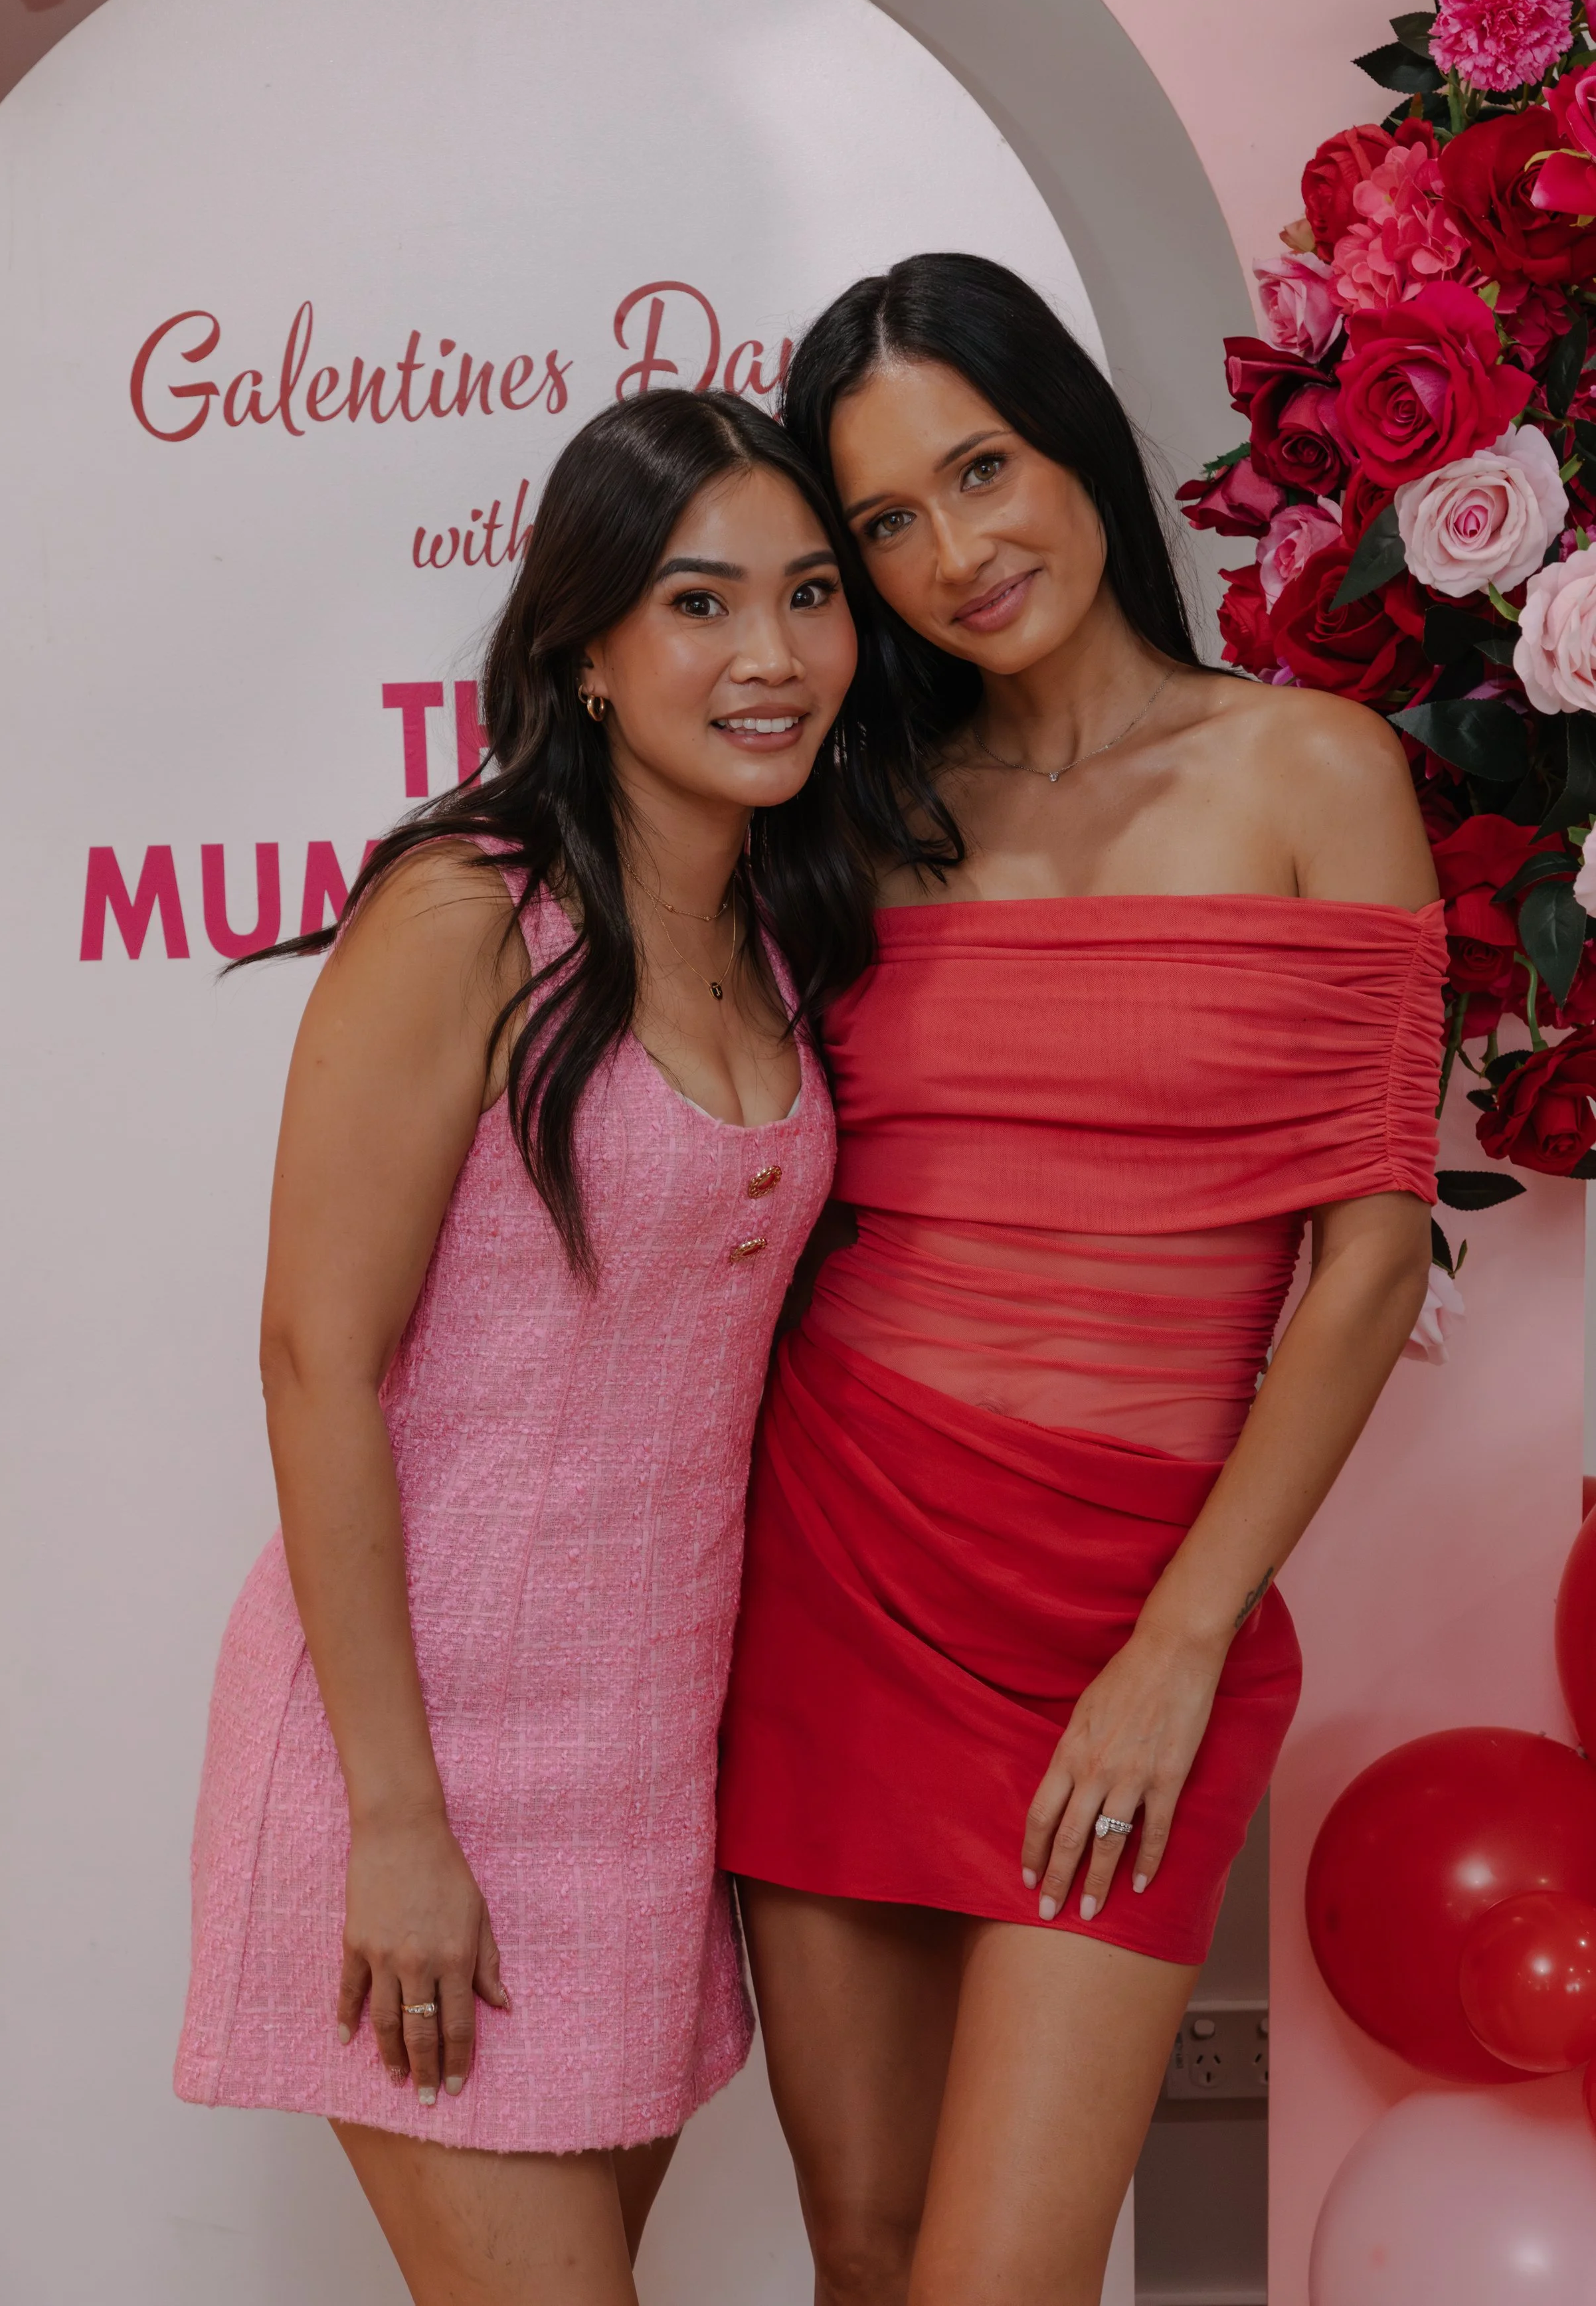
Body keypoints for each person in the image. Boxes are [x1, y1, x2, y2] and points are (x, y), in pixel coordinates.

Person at [718, 253, 1444, 2306]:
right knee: (863, 2254)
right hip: (841, 1568)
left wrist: (1178, 1641)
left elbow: (1370, 1253)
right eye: (882, 521)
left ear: (1077, 452)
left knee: (1000, 2282)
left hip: (1133, 1610)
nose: (950, 552)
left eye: (981, 469)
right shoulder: (859, 814)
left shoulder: (1308, 771)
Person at [175, 387, 871, 2306]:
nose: (771, 655)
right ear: (583, 643)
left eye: (810, 596)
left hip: (650, 1773)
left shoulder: (790, 937)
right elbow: (315, 1359)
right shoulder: (467, 914)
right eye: (701, 601)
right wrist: (398, 1820)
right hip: (424, 1751)